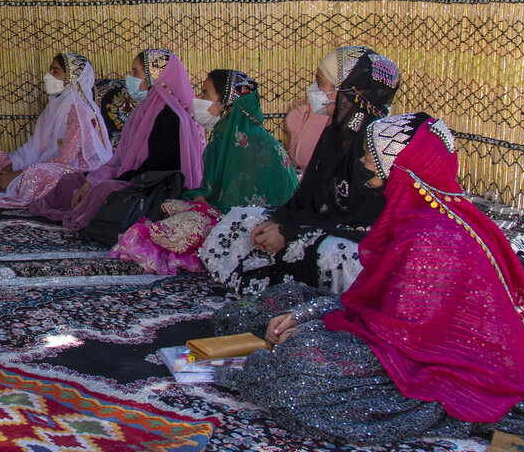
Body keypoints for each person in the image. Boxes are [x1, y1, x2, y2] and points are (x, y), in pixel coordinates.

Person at [211, 113, 524, 444]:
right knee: (282, 298)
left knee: (298, 364)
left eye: (372, 157)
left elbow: (401, 332)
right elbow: (375, 300)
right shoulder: (420, 215)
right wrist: (306, 315)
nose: (365, 164)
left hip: (446, 357)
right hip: (410, 334)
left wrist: (309, 326)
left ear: (399, 166)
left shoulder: (430, 235)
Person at [200, 46, 399, 296]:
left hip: (354, 240)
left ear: (349, 90)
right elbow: (307, 198)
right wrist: (280, 222)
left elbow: (363, 222)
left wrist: (291, 231)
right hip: (315, 227)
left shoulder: (378, 144)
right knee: (240, 219)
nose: (313, 91)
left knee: (334, 254)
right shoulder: (333, 133)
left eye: (320, 83)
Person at [111, 70, 298, 274]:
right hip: (228, 212)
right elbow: (215, 190)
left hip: (259, 224)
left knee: (179, 227)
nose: (198, 99)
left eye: (205, 94)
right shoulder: (224, 136)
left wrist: (205, 206)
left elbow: (242, 205)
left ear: (227, 104)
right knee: (170, 208)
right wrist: (203, 199)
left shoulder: (251, 143)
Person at [30, 48, 205, 232]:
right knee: (71, 181)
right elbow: (119, 159)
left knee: (103, 191)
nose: (129, 77)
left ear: (155, 78)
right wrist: (92, 180)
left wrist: (102, 182)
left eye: (135, 73)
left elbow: (154, 170)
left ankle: (94, 213)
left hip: (154, 189)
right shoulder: (142, 112)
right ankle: (90, 206)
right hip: (133, 177)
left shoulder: (174, 119)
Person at [0, 52, 112, 208]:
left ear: (73, 79)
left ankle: (15, 185)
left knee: (37, 174)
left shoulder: (80, 112)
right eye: (50, 70)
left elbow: (65, 161)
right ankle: (11, 185)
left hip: (77, 169)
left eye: (56, 72)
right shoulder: (53, 107)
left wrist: (18, 173)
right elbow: (35, 149)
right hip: (46, 163)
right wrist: (10, 167)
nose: (48, 75)